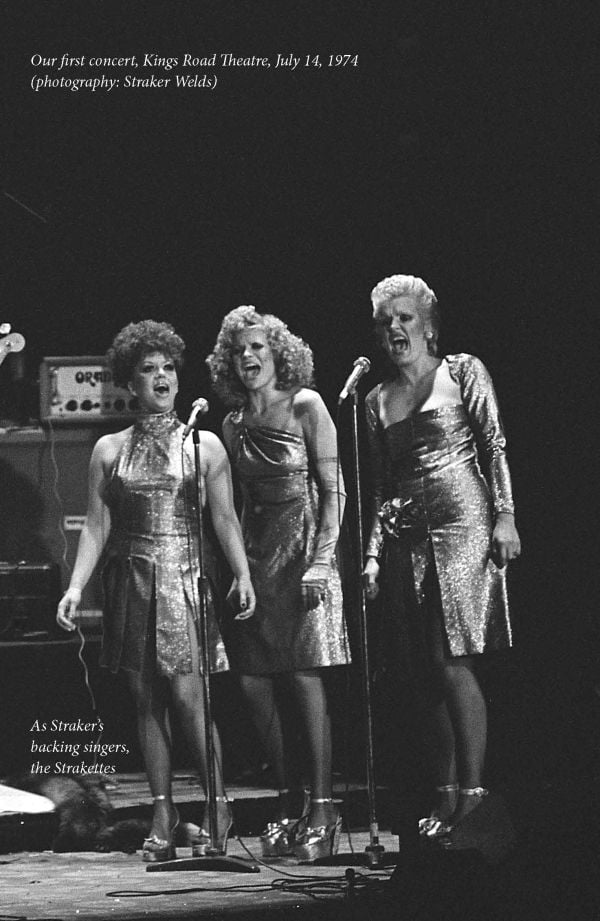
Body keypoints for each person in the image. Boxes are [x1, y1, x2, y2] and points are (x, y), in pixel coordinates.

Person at [56, 320, 255, 862]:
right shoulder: (108, 448)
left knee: (191, 698)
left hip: (184, 578)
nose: (161, 376)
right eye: (148, 369)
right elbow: (97, 526)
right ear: (130, 382)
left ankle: (217, 804)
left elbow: (225, 520)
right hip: (131, 579)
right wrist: (76, 587)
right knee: (146, 702)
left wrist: (241, 573)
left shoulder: (204, 444)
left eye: (168, 366)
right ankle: (164, 809)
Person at [362, 275, 521, 842]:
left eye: (404, 318)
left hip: (465, 525)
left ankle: (475, 796)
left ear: (427, 325)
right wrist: (374, 555)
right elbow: (382, 483)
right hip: (408, 538)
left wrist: (505, 515)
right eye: (386, 322)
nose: (394, 329)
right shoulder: (376, 398)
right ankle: (447, 793)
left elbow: (494, 442)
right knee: (425, 671)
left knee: (455, 659)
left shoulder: (462, 372)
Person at [207, 306, 351, 860]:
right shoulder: (232, 424)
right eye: (239, 350)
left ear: (278, 353)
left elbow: (333, 489)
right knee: (252, 681)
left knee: (303, 678)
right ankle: (289, 799)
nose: (249, 357)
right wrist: (238, 569)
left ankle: (323, 807)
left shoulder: (306, 405)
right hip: (258, 556)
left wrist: (323, 559)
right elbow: (238, 507)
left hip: (306, 551)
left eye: (259, 348)